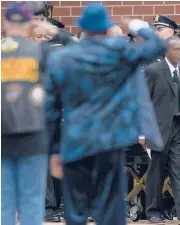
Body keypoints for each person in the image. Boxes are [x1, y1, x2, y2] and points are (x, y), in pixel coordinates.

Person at [45, 3, 166, 225]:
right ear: (106, 28)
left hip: (74, 141)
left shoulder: (62, 58)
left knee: (76, 206)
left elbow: (50, 110)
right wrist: (138, 26)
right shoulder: (119, 54)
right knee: (110, 205)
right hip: (109, 140)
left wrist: (53, 151)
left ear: (83, 28)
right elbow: (158, 46)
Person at [1, 2, 73, 225]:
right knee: (33, 194)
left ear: (5, 23)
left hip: (5, 131)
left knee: (7, 196)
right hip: (33, 130)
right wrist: (55, 31)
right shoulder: (39, 51)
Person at [144, 36, 180, 225]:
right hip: (157, 129)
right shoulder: (153, 71)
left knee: (178, 169)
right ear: (167, 51)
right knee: (156, 171)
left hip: (177, 127)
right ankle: (152, 211)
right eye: (177, 49)